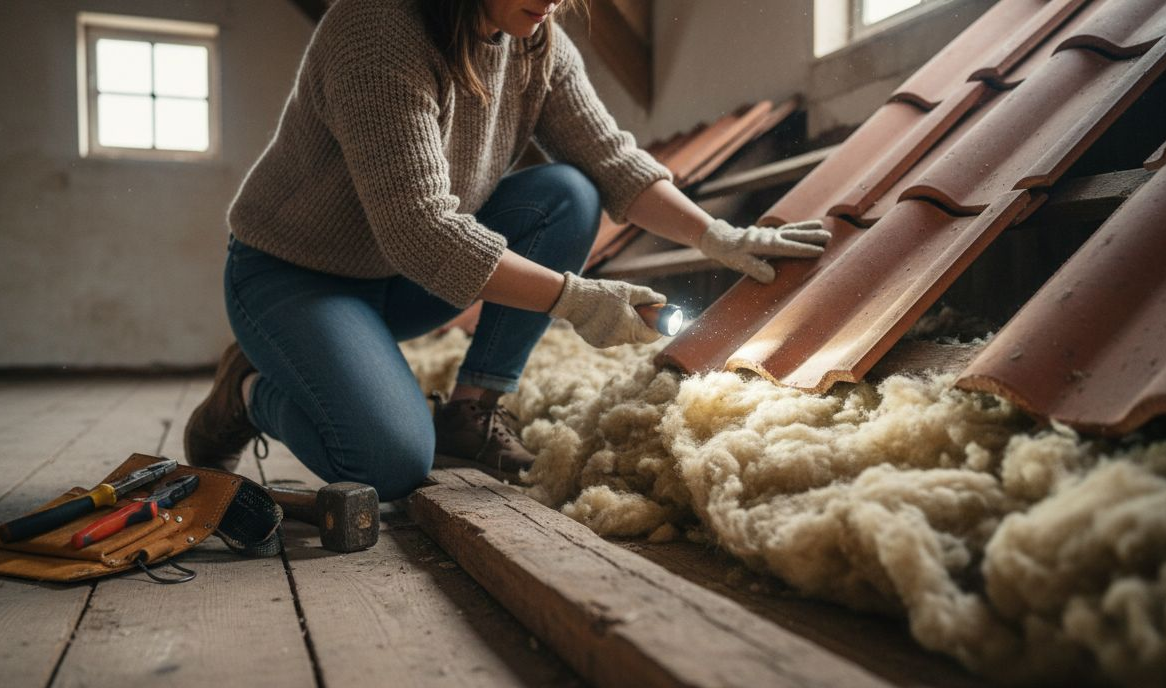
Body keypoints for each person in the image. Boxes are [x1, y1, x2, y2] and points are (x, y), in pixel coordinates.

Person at [183, 0, 830, 500]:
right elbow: (420, 228)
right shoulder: (378, 31)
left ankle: (473, 408)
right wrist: (576, 300)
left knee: (569, 192)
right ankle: (247, 392)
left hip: (401, 279)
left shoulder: (536, 40)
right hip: (295, 278)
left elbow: (611, 162)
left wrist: (718, 235)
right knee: (390, 463)